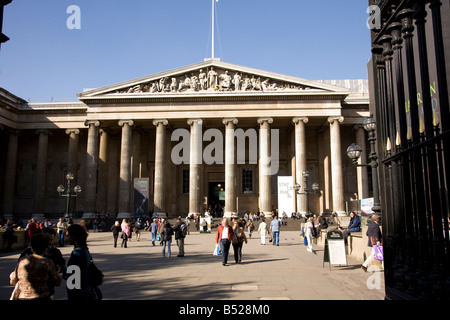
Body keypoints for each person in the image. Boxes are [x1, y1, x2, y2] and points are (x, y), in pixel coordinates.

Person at [10, 233, 62, 300]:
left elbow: (13, 280)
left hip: (23, 296)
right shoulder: (47, 263)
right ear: (46, 248)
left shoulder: (22, 262)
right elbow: (57, 281)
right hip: (41, 296)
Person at [65, 224, 101, 300]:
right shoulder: (85, 250)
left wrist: (62, 269)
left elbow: (72, 278)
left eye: (68, 236)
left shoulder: (76, 253)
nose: (66, 238)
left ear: (74, 236)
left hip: (80, 291)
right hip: (88, 288)